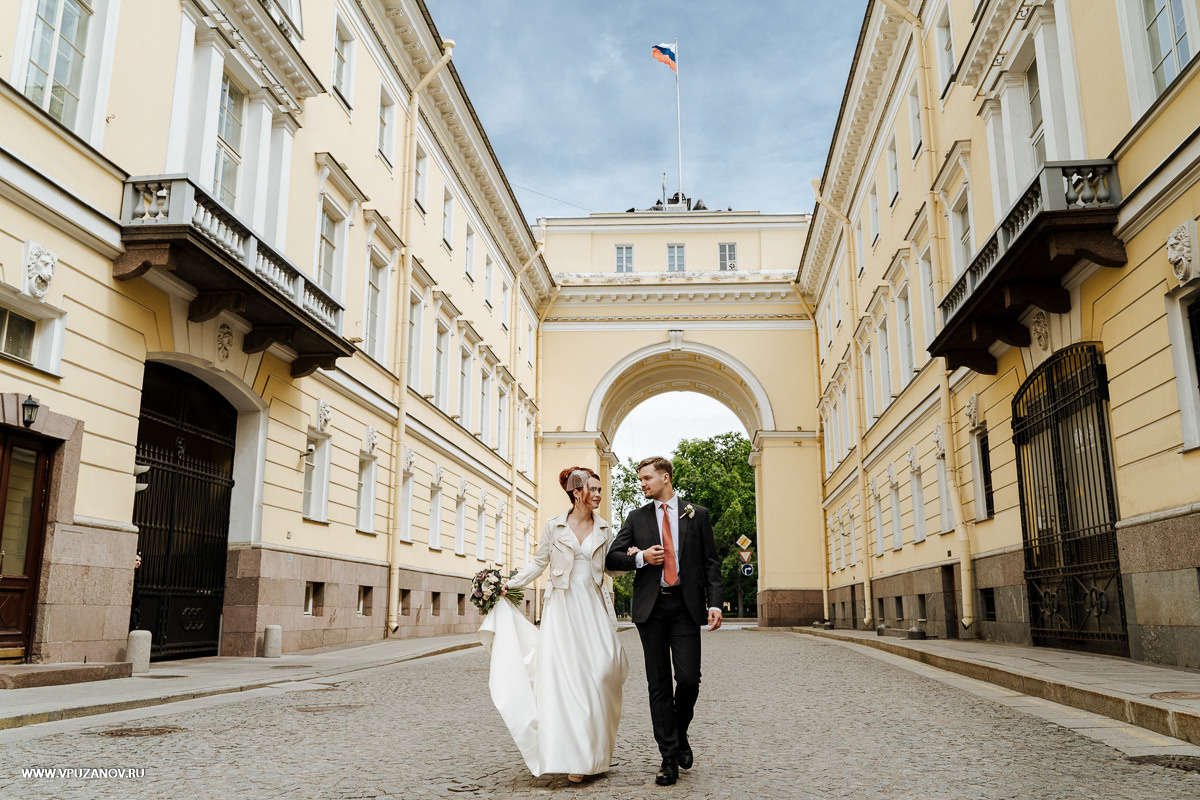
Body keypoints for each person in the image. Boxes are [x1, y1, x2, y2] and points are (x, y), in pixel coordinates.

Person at [480, 466, 629, 784]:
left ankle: (597, 753)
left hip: (594, 607)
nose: (599, 494)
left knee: (604, 674)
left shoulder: (605, 529)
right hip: (562, 608)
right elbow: (538, 562)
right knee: (569, 682)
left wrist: (635, 557)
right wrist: (509, 584)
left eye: (600, 489)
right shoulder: (554, 526)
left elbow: (613, 569)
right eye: (594, 489)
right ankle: (578, 758)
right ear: (577, 493)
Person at [605, 456, 723, 787]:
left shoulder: (695, 514)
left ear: (665, 478)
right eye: (639, 479)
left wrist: (715, 603)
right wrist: (641, 557)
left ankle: (679, 732)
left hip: (686, 607)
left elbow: (711, 562)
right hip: (652, 609)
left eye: (646, 478)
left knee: (688, 679)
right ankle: (669, 757)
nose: (641, 484)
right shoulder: (636, 517)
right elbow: (612, 557)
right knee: (658, 685)